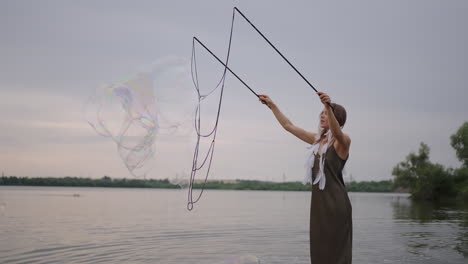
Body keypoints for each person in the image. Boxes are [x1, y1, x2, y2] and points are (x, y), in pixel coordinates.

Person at [259, 92, 352, 264]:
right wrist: (272, 105)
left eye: (327, 113)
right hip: (319, 203)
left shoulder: (343, 141)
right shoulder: (317, 140)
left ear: (336, 118)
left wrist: (327, 106)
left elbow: (337, 133)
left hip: (336, 203)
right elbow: (289, 126)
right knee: (319, 245)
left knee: (336, 248)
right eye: (322, 113)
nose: (323, 116)